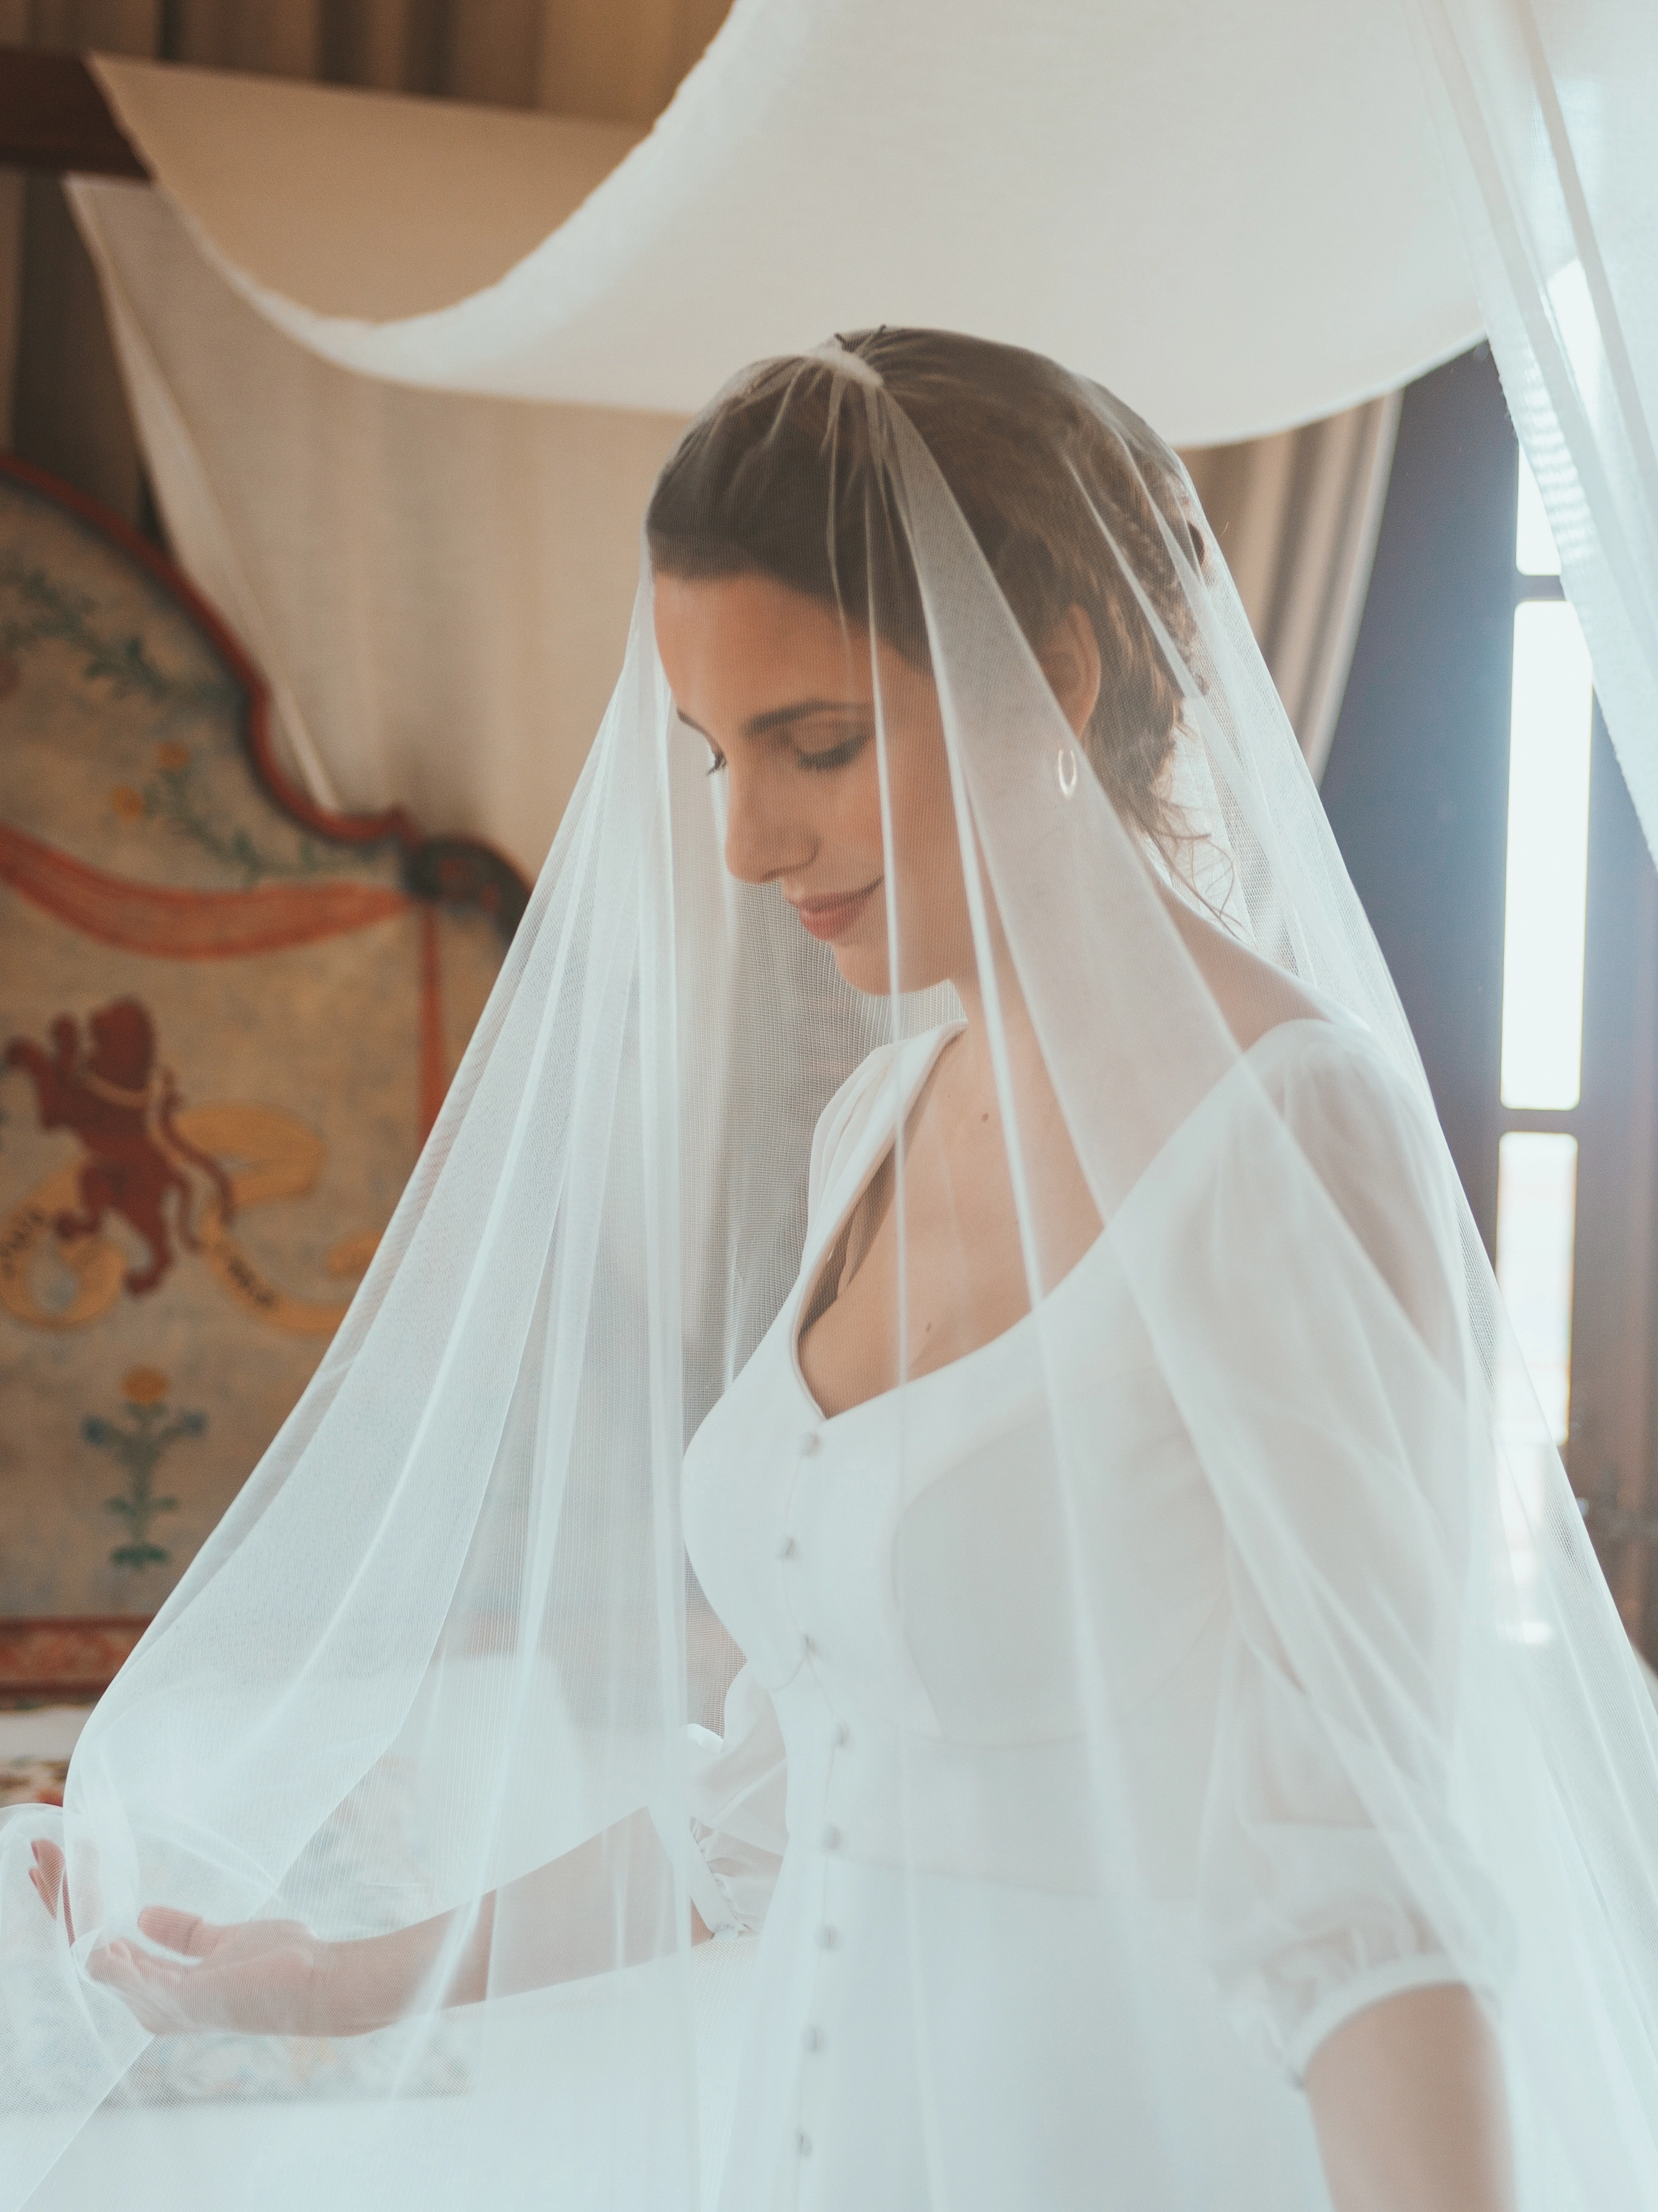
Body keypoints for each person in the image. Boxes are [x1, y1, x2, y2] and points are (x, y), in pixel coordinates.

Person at [10, 329, 1658, 2212]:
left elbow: (1367, 1881)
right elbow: (784, 1804)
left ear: (1050, 672)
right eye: (713, 756)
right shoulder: (871, 1119)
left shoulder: (1279, 1129)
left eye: (817, 743)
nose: (741, 842)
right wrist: (343, 1977)